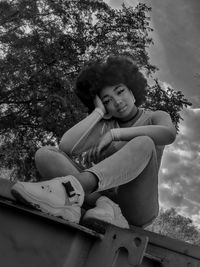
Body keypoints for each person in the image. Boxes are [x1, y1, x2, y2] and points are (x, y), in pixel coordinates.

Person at [11, 55, 176, 229]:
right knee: (45, 154)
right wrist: (98, 112)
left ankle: (69, 190)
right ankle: (104, 205)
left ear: (133, 91)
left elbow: (168, 134)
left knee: (144, 142)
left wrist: (116, 134)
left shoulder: (155, 116)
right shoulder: (105, 125)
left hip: (138, 207)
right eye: (107, 101)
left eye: (120, 91)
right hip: (101, 199)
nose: (117, 102)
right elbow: (67, 147)